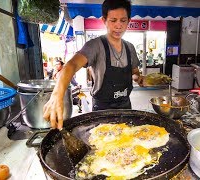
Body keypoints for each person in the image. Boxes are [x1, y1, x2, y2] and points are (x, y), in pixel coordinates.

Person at [43, 0, 144, 129]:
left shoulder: (130, 48)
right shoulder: (95, 46)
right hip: (101, 110)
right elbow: (71, 65)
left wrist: (138, 78)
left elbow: (134, 71)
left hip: (125, 107)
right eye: (113, 20)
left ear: (128, 21)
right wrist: (57, 95)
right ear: (104, 20)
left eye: (123, 20)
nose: (118, 26)